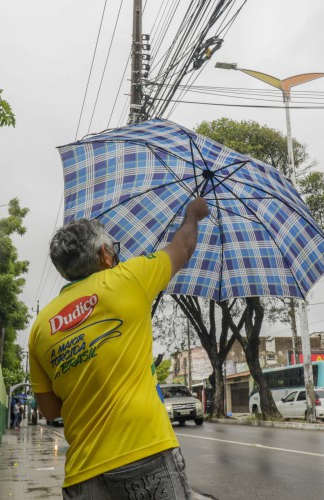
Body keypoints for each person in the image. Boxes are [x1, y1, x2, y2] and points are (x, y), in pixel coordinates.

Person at [29, 197, 208, 499]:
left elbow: (49, 410)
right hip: (145, 455)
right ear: (105, 254)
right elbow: (183, 247)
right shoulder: (128, 279)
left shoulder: (40, 326)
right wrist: (193, 214)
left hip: (83, 474)